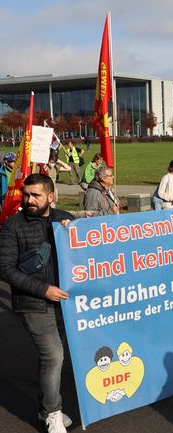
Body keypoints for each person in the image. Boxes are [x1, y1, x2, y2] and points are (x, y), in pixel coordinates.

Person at [0, 173, 76, 433]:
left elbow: (84, 253)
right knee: (53, 355)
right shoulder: (13, 226)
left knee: (54, 357)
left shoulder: (64, 218)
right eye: (26, 194)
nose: (29, 200)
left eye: (36, 195)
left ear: (51, 197)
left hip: (64, 301)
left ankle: (45, 408)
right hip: (33, 302)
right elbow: (5, 269)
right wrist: (44, 290)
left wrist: (74, 231)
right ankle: (53, 413)